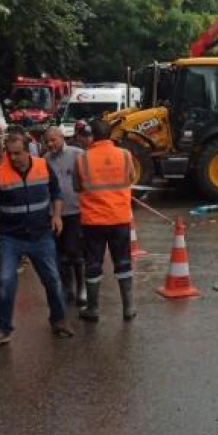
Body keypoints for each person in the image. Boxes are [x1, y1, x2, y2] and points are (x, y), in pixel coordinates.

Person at [0, 133, 73, 348]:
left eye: (18, 153)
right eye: (9, 154)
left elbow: (56, 193)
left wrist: (57, 215)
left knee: (52, 279)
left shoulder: (42, 166)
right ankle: (2, 329)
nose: (13, 158)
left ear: (28, 150)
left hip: (41, 236)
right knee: (5, 283)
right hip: (10, 238)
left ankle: (59, 321)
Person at [73, 119, 136, 322]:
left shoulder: (82, 159)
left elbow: (76, 186)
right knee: (123, 262)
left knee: (93, 264)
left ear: (92, 134)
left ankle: (93, 309)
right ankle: (128, 308)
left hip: (93, 222)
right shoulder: (125, 155)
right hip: (120, 219)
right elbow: (131, 178)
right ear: (110, 135)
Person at [44, 126, 87, 306]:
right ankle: (67, 288)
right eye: (47, 141)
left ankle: (82, 288)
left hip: (76, 212)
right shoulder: (45, 159)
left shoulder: (79, 154)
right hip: (54, 214)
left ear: (62, 138)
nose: (50, 144)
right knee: (60, 254)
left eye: (53, 140)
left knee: (76, 252)